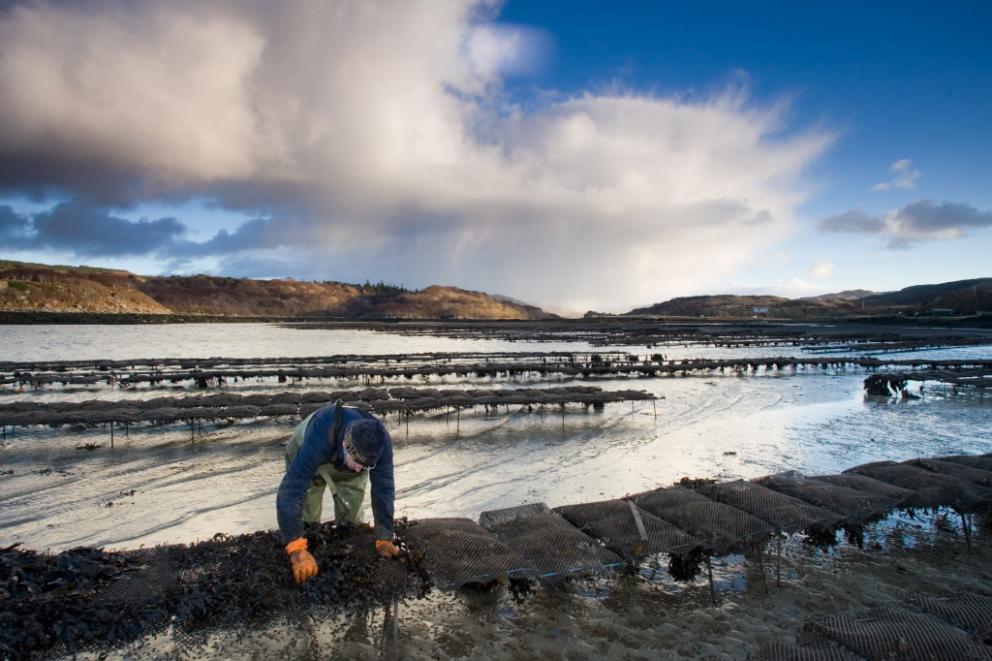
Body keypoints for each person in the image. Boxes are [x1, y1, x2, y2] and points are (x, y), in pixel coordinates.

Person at [276, 400, 402, 583]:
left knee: (351, 522)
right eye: (358, 463)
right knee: (308, 517)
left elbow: (384, 489)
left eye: (366, 466)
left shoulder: (380, 443)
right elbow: (290, 491)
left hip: (345, 461)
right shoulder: (319, 437)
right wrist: (296, 549)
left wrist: (384, 538)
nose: (361, 470)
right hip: (311, 445)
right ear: (345, 446)